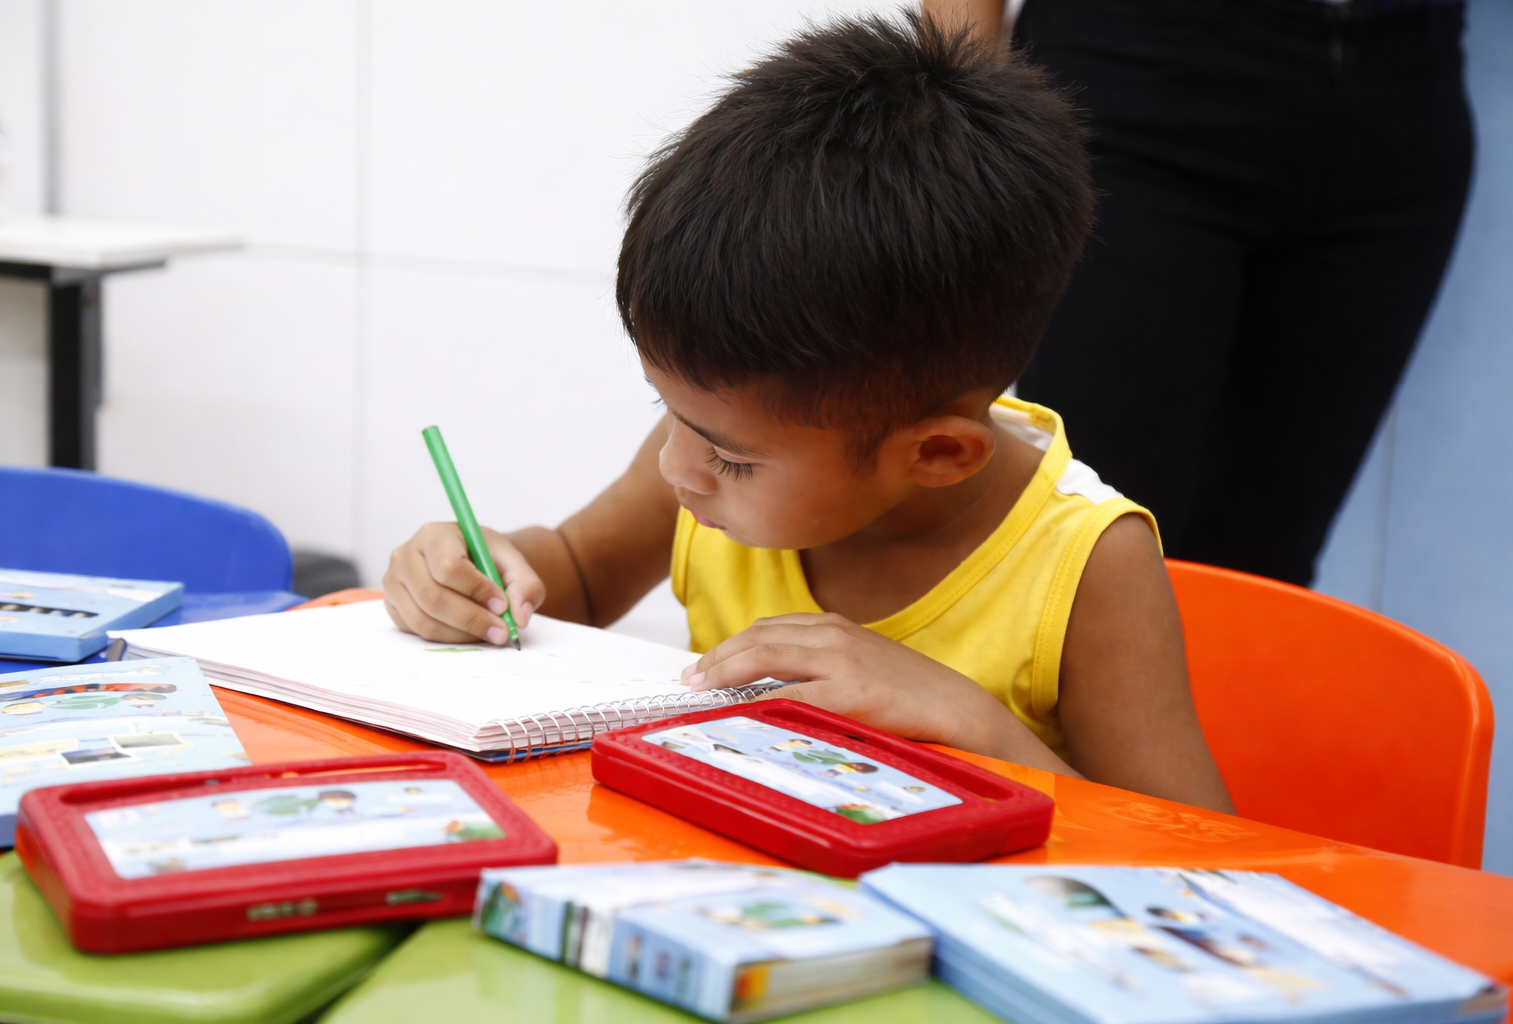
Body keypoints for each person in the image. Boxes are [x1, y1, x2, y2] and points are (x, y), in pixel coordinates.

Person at [384, 12, 1233, 813]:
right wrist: (474, 573)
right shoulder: (712, 452)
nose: (679, 469)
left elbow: (1209, 866)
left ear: (937, 453)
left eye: (733, 458)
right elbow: (573, 569)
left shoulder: (1087, 567)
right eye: (667, 410)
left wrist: (971, 723)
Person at [927, 0, 1473, 585]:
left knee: (1263, 570)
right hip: (1142, 75)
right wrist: (955, 116)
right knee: (1088, 549)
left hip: (1403, 85)